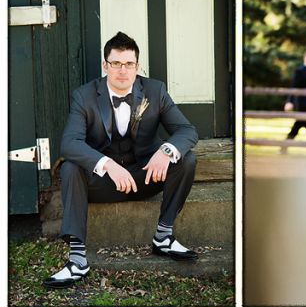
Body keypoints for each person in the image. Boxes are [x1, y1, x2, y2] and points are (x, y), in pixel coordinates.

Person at [45, 32, 199, 289]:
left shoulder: (155, 90)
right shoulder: (83, 96)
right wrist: (107, 165)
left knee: (186, 159)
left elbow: (187, 130)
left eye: (129, 64)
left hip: (145, 176)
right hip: (103, 184)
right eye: (116, 63)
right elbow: (69, 144)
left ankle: (163, 236)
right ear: (105, 65)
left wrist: (166, 151)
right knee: (71, 167)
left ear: (137, 66)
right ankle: (77, 259)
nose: (122, 71)